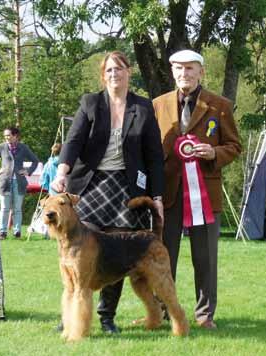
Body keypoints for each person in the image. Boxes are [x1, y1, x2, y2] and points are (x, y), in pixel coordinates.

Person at [51, 51, 164, 334]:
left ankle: (106, 317)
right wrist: (62, 171)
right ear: (104, 75)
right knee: (79, 249)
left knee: (118, 254)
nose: (115, 74)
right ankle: (71, 317)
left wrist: (158, 197)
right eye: (109, 70)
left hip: (127, 186)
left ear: (129, 73)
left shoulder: (143, 107)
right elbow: (74, 140)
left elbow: (154, 155)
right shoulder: (91, 103)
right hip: (91, 184)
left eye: (120, 69)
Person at [152, 49, 242, 330]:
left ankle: (205, 315)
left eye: (190, 69)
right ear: (172, 72)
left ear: (201, 72)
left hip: (204, 195)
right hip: (167, 195)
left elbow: (234, 146)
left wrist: (213, 153)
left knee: (205, 259)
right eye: (179, 69)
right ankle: (162, 312)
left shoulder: (220, 105)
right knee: (163, 258)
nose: (184, 74)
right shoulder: (157, 104)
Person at [0, 127, 39, 239]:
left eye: (9, 135)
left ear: (15, 136)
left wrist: (28, 171)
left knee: (17, 209)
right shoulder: (2, 147)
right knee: (4, 208)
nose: (6, 138)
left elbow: (35, 161)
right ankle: (2, 232)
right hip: (5, 182)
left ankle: (17, 231)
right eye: (5, 136)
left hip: (19, 183)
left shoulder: (23, 147)